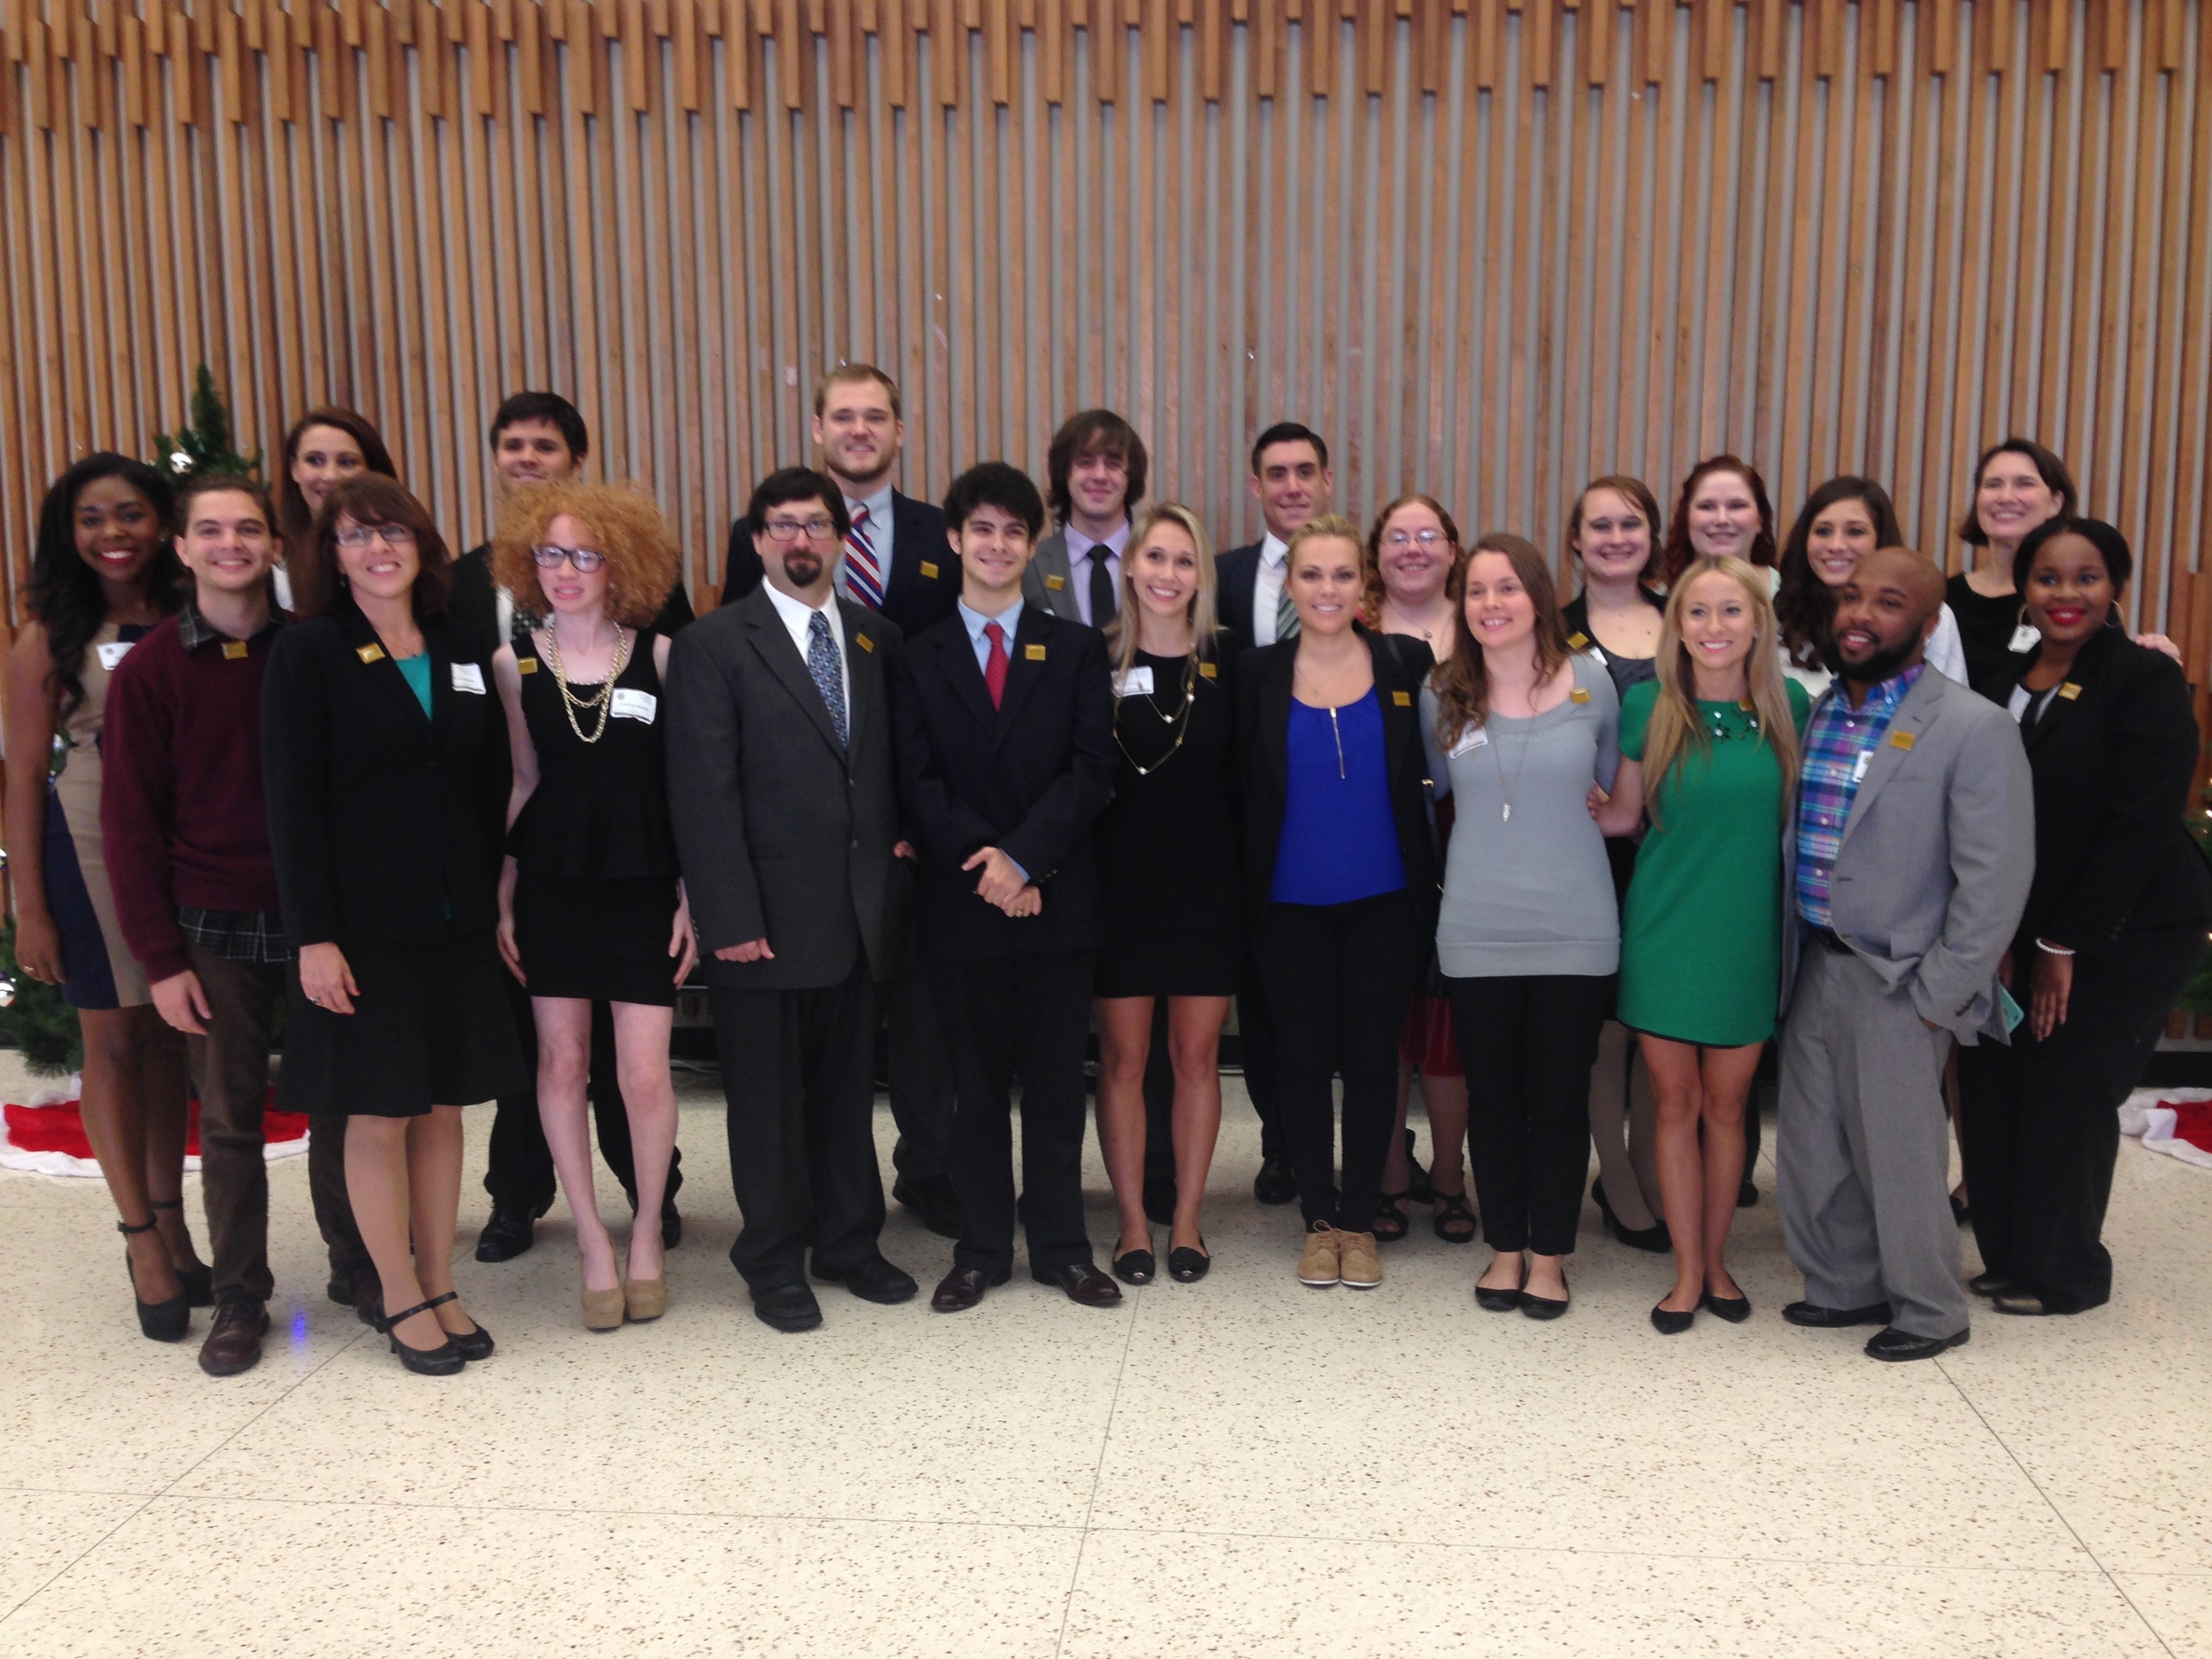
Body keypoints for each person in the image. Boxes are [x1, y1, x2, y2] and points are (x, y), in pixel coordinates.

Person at [263, 476, 525, 1375]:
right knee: (378, 1114)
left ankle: (441, 1280)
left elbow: (486, 784)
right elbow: (290, 808)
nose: (379, 549)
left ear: (422, 542)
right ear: (330, 556)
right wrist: (313, 936)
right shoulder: (310, 653)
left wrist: (500, 897)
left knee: (444, 1106)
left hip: (453, 919)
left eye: (393, 531)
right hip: (360, 927)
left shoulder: (461, 643)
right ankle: (397, 1291)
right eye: (355, 536)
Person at [101, 475, 350, 1375]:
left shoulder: (313, 651)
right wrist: (160, 960)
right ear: (182, 546)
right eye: (211, 530)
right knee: (233, 1115)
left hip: (320, 917)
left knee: (338, 1102)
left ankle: (357, 1267)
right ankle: (241, 1292)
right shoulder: (153, 671)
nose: (231, 544)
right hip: (211, 925)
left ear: (277, 546)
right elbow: (129, 826)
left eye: (249, 529)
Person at [664, 467, 919, 1333]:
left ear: (842, 538)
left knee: (847, 1093)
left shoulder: (877, 638)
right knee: (768, 1106)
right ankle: (772, 1259)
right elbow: (704, 793)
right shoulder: (714, 645)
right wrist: (727, 917)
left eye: (816, 524)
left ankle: (850, 1242)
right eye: (782, 526)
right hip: (762, 923)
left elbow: (887, 770)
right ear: (759, 539)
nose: (800, 539)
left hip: (856, 914)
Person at [1775, 546, 2032, 1362]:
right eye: (1852, 597)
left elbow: (1995, 880)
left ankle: (1930, 1309)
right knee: (1815, 1145)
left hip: (1901, 977)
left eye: (1888, 603)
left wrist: (1939, 994)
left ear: (1926, 627)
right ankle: (1846, 1285)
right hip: (1815, 962)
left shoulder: (1972, 725)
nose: (1861, 614)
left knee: (1899, 1152)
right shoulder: (1818, 712)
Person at [454, 392, 689, 1264]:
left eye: (584, 554)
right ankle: (591, 1239)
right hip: (551, 884)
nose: (564, 569)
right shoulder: (508, 664)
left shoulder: (662, 656)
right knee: (557, 1065)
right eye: (549, 553)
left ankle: (644, 1241)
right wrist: (505, 897)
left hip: (638, 884)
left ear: (618, 561)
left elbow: (681, 788)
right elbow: (523, 780)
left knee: (641, 1074)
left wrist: (691, 896)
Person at [1955, 518, 2212, 1317]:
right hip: (2015, 924)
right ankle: (2010, 1255)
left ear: (2116, 587)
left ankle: (2064, 1273)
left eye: (2088, 577)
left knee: (2068, 1086)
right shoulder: (2000, 674)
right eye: (2049, 578)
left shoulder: (2142, 677)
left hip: (2125, 927)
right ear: (2025, 587)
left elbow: (2140, 822)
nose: (2067, 594)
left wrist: (2062, 942)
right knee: (1994, 1085)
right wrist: (1997, 932)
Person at [727, 365, 962, 1240]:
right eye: (843, 416)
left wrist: (913, 823)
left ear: (900, 429)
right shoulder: (763, 539)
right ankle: (797, 1219)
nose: (860, 429)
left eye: (876, 416)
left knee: (917, 1026)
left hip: (901, 838)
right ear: (817, 427)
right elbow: (738, 686)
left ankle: (923, 1171)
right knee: (816, 1051)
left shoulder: (945, 534)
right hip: (793, 856)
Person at [890, 462, 1121, 1313]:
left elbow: (1090, 772)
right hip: (963, 908)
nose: (996, 545)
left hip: (1057, 902)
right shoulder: (917, 657)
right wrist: (990, 869)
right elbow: (917, 784)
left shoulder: (1073, 648)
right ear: (954, 539)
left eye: (1013, 532)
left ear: (1034, 545)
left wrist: (1024, 862)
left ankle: (1062, 1245)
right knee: (974, 1090)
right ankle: (982, 1246)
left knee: (1059, 1087)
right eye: (981, 529)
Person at [5, 456, 204, 1341]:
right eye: (92, 518)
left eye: (130, 513)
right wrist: (30, 904)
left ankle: (174, 1218)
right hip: (88, 837)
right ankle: (141, 1241)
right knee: (115, 1038)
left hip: (187, 836)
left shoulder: (191, 609)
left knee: (169, 1039)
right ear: (69, 531)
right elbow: (19, 771)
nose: (113, 532)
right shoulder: (47, 631)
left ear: (162, 523)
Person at [1595, 557, 1811, 1333]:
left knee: (1730, 1107)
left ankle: (1718, 1258)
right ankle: (1688, 1270)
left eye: (1730, 611)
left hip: (1747, 936)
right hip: (1665, 929)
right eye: (1697, 612)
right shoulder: (1649, 704)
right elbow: (1622, 815)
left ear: (1757, 622)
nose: (1714, 627)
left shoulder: (1787, 704)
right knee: (1674, 1103)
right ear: (1675, 625)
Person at [1424, 534, 1621, 1320]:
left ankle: (1550, 1257)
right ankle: (1505, 1248)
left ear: (1538, 595)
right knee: (1495, 1097)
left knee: (1560, 1097)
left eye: (1507, 588)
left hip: (1576, 925)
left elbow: (1609, 792)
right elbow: (1431, 799)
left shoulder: (1595, 685)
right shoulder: (1445, 693)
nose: (1492, 604)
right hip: (1474, 925)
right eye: (1476, 590)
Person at [1240, 515, 1438, 1293]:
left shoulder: (1404, 661)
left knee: (1370, 1061)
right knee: (1300, 1058)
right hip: (1287, 905)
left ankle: (1361, 1218)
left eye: (1343, 575)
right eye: (1312, 575)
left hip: (1385, 900)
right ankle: (1318, 1219)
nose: (1328, 589)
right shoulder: (1255, 671)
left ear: (1366, 584)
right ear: (1291, 585)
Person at [1092, 503, 1239, 1285]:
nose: (1168, 575)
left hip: (1207, 891)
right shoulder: (1094, 660)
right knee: (1124, 1058)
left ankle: (1185, 1219)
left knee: (1196, 1057)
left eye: (1184, 561)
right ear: (1130, 567)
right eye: (1155, 558)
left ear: (1200, 576)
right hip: (1118, 892)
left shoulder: (1230, 665)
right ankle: (1130, 1224)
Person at [1211, 421, 1336, 1206]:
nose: (1291, 486)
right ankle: (1281, 1139)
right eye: (1276, 474)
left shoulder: (1354, 574)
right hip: (1250, 822)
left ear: (1326, 481)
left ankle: (1364, 1141)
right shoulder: (1219, 578)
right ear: (1255, 486)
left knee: (1342, 998)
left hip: (1342, 812)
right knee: (1261, 998)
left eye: (1305, 472)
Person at [1559, 477, 1669, 1253]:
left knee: (1654, 1021)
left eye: (1631, 523)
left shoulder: (1687, 619)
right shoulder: (1551, 630)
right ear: (1575, 540)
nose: (1615, 536)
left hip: (1674, 853)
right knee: (1603, 1031)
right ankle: (1619, 1182)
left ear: (1653, 535)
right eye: (1599, 524)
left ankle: (1645, 1168)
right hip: (1585, 853)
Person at [1362, 495, 1471, 1245]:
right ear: (1376, 554)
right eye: (1397, 537)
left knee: (1449, 1016)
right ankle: (1387, 1169)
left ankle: (1450, 1171)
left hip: (1466, 839)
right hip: (1378, 839)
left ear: (1453, 549)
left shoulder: (1491, 621)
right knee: (1385, 1011)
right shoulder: (1351, 631)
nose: (1412, 548)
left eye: (1427, 534)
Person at [1776, 477, 1967, 695]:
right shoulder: (1776, 613)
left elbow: (1950, 707)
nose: (1836, 545)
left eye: (1855, 532)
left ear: (1880, 539)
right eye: (1823, 531)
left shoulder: (1928, 612)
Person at [1945, 440, 2075, 703]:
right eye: (1993, 484)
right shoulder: (1941, 598)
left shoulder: (2073, 600)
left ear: (2055, 503)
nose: (2005, 497)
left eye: (2024, 483)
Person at [1024, 409, 1148, 627]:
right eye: (1086, 462)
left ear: (1131, 475)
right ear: (1064, 472)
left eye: (1113, 464)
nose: (1100, 475)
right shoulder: (1029, 565)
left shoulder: (1160, 563)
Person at [275, 408, 396, 562]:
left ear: (373, 472)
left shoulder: (401, 552)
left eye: (347, 462)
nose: (330, 476)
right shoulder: (273, 559)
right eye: (314, 460)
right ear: (294, 468)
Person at [1656, 456, 1778, 590]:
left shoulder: (1791, 598)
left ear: (1760, 519)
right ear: (1686, 518)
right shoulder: (1658, 602)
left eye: (1737, 506)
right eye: (1707, 507)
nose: (1722, 519)